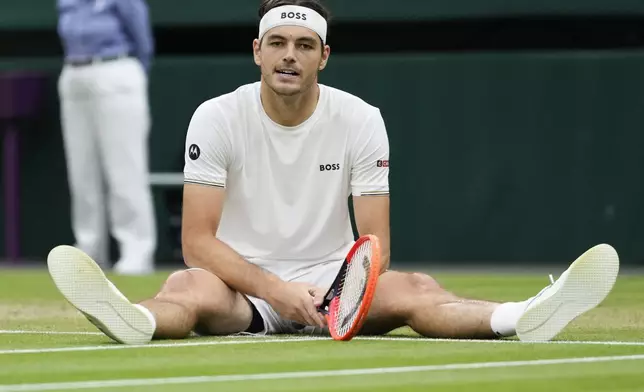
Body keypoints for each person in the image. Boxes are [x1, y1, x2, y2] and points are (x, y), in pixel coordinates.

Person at [46, 0, 620, 345]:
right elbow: (197, 241)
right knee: (186, 286)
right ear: (257, 51)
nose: (288, 55)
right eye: (277, 43)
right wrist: (275, 290)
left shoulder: (362, 119)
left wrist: (340, 295)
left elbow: (376, 243)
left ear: (323, 56)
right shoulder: (216, 116)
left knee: (417, 289)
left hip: (335, 284)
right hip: (246, 290)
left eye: (302, 45)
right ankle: (136, 321)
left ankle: (522, 316)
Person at [56, 0, 157, 275]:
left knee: (125, 170)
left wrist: (130, 75)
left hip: (116, 70)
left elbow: (142, 41)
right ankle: (89, 251)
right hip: (73, 74)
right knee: (82, 173)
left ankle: (136, 253)